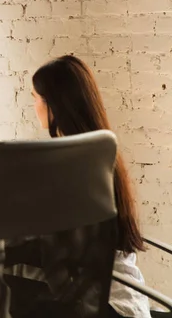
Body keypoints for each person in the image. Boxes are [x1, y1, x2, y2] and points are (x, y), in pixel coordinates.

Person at [31, 55, 150, 318]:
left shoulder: (72, 165)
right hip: (128, 300)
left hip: (103, 307)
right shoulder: (101, 151)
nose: (34, 105)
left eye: (36, 98)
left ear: (53, 105)